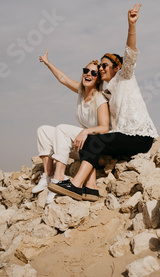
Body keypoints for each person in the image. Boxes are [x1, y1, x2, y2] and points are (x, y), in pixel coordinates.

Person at [49, 3, 158, 201]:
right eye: (100, 67)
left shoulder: (125, 76)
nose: (100, 69)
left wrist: (131, 25)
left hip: (139, 137)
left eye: (104, 65)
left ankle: (75, 185)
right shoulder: (106, 93)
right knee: (88, 141)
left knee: (93, 138)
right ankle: (90, 189)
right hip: (123, 136)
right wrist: (48, 64)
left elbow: (130, 51)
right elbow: (68, 82)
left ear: (117, 67)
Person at [33, 52, 110, 204]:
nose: (88, 74)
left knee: (61, 128)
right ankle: (48, 174)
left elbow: (105, 128)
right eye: (86, 71)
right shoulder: (81, 92)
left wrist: (86, 131)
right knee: (43, 130)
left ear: (98, 79)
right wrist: (48, 63)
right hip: (80, 143)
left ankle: (59, 178)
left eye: (93, 73)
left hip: (94, 146)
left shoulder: (100, 99)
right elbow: (63, 78)